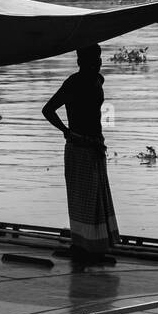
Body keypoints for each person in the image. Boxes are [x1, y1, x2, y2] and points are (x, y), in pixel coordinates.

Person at [43, 44, 119, 264]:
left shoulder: (99, 80)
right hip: (79, 148)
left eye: (98, 61)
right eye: (91, 62)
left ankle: (96, 245)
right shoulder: (73, 83)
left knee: (97, 197)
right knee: (82, 199)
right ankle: (82, 245)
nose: (96, 66)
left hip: (95, 146)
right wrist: (67, 132)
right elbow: (48, 110)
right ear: (80, 63)